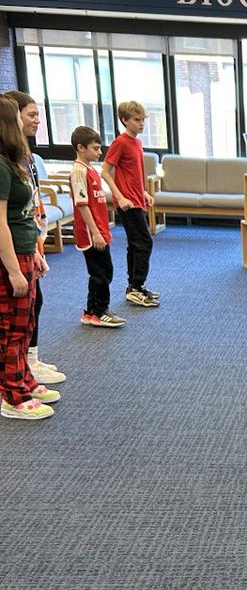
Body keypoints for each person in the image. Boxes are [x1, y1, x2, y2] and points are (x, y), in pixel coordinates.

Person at [0, 96, 58, 420]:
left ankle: (22, 380)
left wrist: (34, 252)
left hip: (25, 251)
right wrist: (13, 271)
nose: (30, 122)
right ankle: (13, 397)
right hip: (12, 259)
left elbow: (25, 215)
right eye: (26, 116)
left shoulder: (15, 161)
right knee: (11, 329)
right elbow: (0, 224)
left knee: (26, 325)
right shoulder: (0, 166)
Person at [101, 100, 158, 308]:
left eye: (143, 119)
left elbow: (134, 174)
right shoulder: (120, 142)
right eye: (136, 119)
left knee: (135, 244)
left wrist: (143, 193)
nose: (141, 123)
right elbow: (105, 171)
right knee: (144, 243)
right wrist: (120, 197)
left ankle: (135, 287)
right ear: (124, 120)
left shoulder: (137, 142)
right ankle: (136, 286)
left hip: (136, 199)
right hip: (126, 203)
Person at [70, 126, 126, 328]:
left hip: (101, 230)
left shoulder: (90, 170)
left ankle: (92, 312)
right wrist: (95, 232)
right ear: (81, 147)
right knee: (100, 273)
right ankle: (99, 312)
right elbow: (82, 205)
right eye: (95, 148)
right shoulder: (78, 172)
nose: (100, 152)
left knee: (104, 270)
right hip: (91, 233)